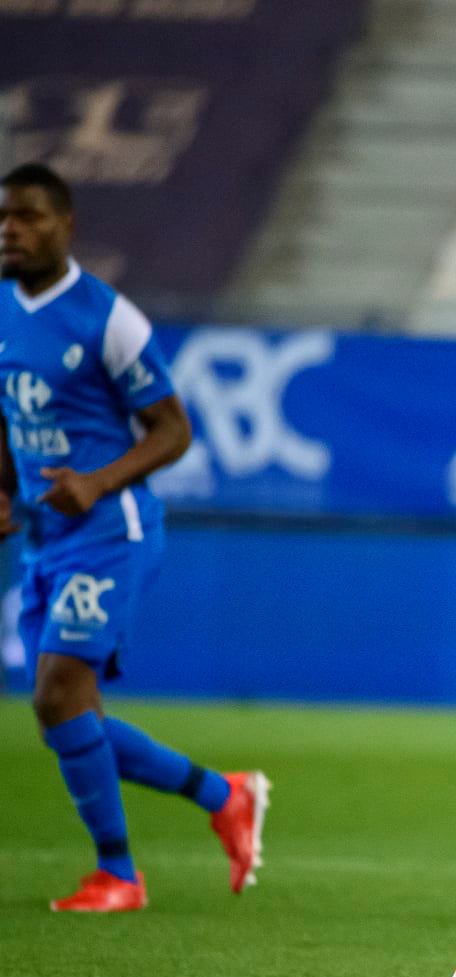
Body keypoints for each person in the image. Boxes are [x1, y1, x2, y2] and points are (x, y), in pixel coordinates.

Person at [0, 162, 268, 912]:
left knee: (59, 694)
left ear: (65, 225)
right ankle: (225, 795)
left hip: (110, 530)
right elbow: (7, 415)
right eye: (3, 218)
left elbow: (174, 430)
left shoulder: (106, 318)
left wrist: (95, 481)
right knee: (65, 717)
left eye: (26, 217)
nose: (10, 230)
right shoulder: (1, 310)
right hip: (47, 538)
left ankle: (119, 874)